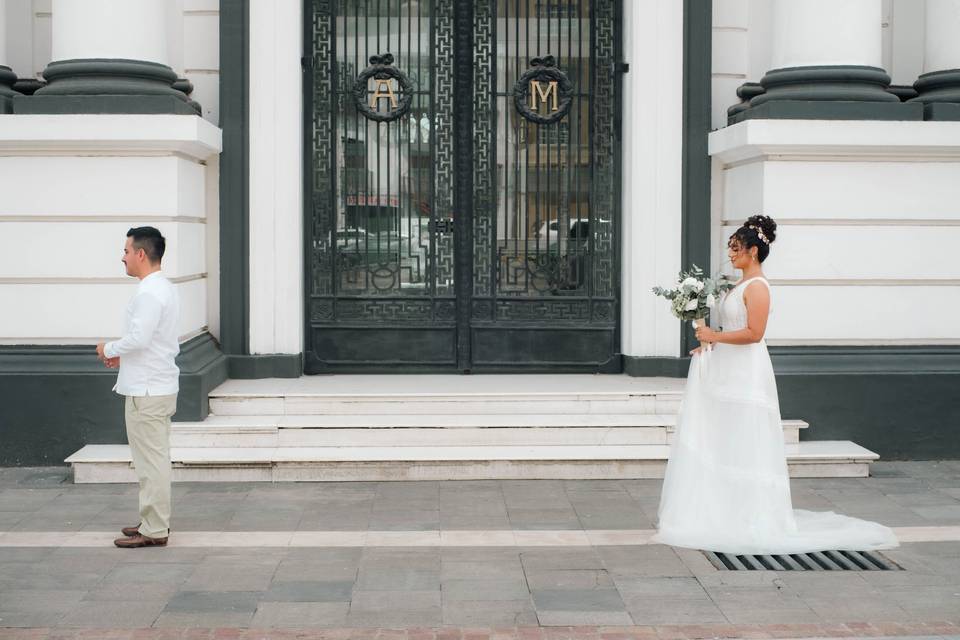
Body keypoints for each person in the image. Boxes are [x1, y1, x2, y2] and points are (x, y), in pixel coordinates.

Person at [653, 215, 898, 554]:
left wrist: (715, 334)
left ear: (753, 251)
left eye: (736, 248)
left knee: (746, 437)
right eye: (730, 248)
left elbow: (755, 333)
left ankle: (750, 514)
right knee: (726, 436)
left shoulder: (758, 287)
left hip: (746, 372)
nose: (731, 254)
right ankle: (723, 509)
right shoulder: (738, 286)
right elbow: (732, 329)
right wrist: (709, 343)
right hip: (726, 368)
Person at [96, 227, 180, 549]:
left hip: (147, 391)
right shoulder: (165, 288)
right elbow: (155, 341)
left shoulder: (148, 293)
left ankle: (156, 529)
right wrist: (123, 358)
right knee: (152, 460)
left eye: (127, 251)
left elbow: (140, 338)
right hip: (155, 384)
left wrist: (109, 349)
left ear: (141, 254)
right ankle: (151, 520)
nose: (123, 256)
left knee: (151, 462)